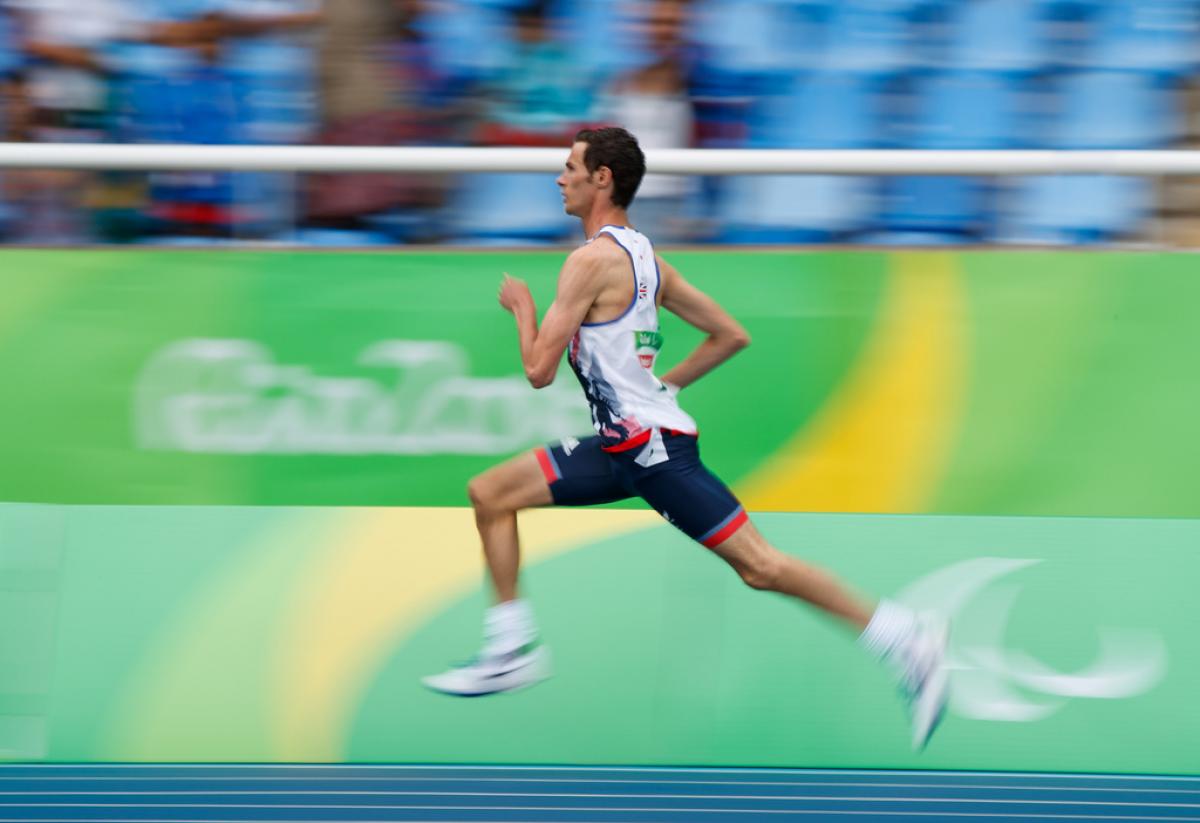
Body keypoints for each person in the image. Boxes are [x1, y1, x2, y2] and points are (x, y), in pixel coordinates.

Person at [422, 126, 950, 750]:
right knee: (491, 493)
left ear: (603, 179)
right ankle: (510, 648)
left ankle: (904, 635)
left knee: (761, 567)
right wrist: (660, 390)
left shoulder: (587, 261)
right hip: (624, 447)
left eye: (569, 167)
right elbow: (731, 334)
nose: (558, 178)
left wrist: (522, 310)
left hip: (653, 457)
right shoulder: (648, 259)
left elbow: (538, 371)